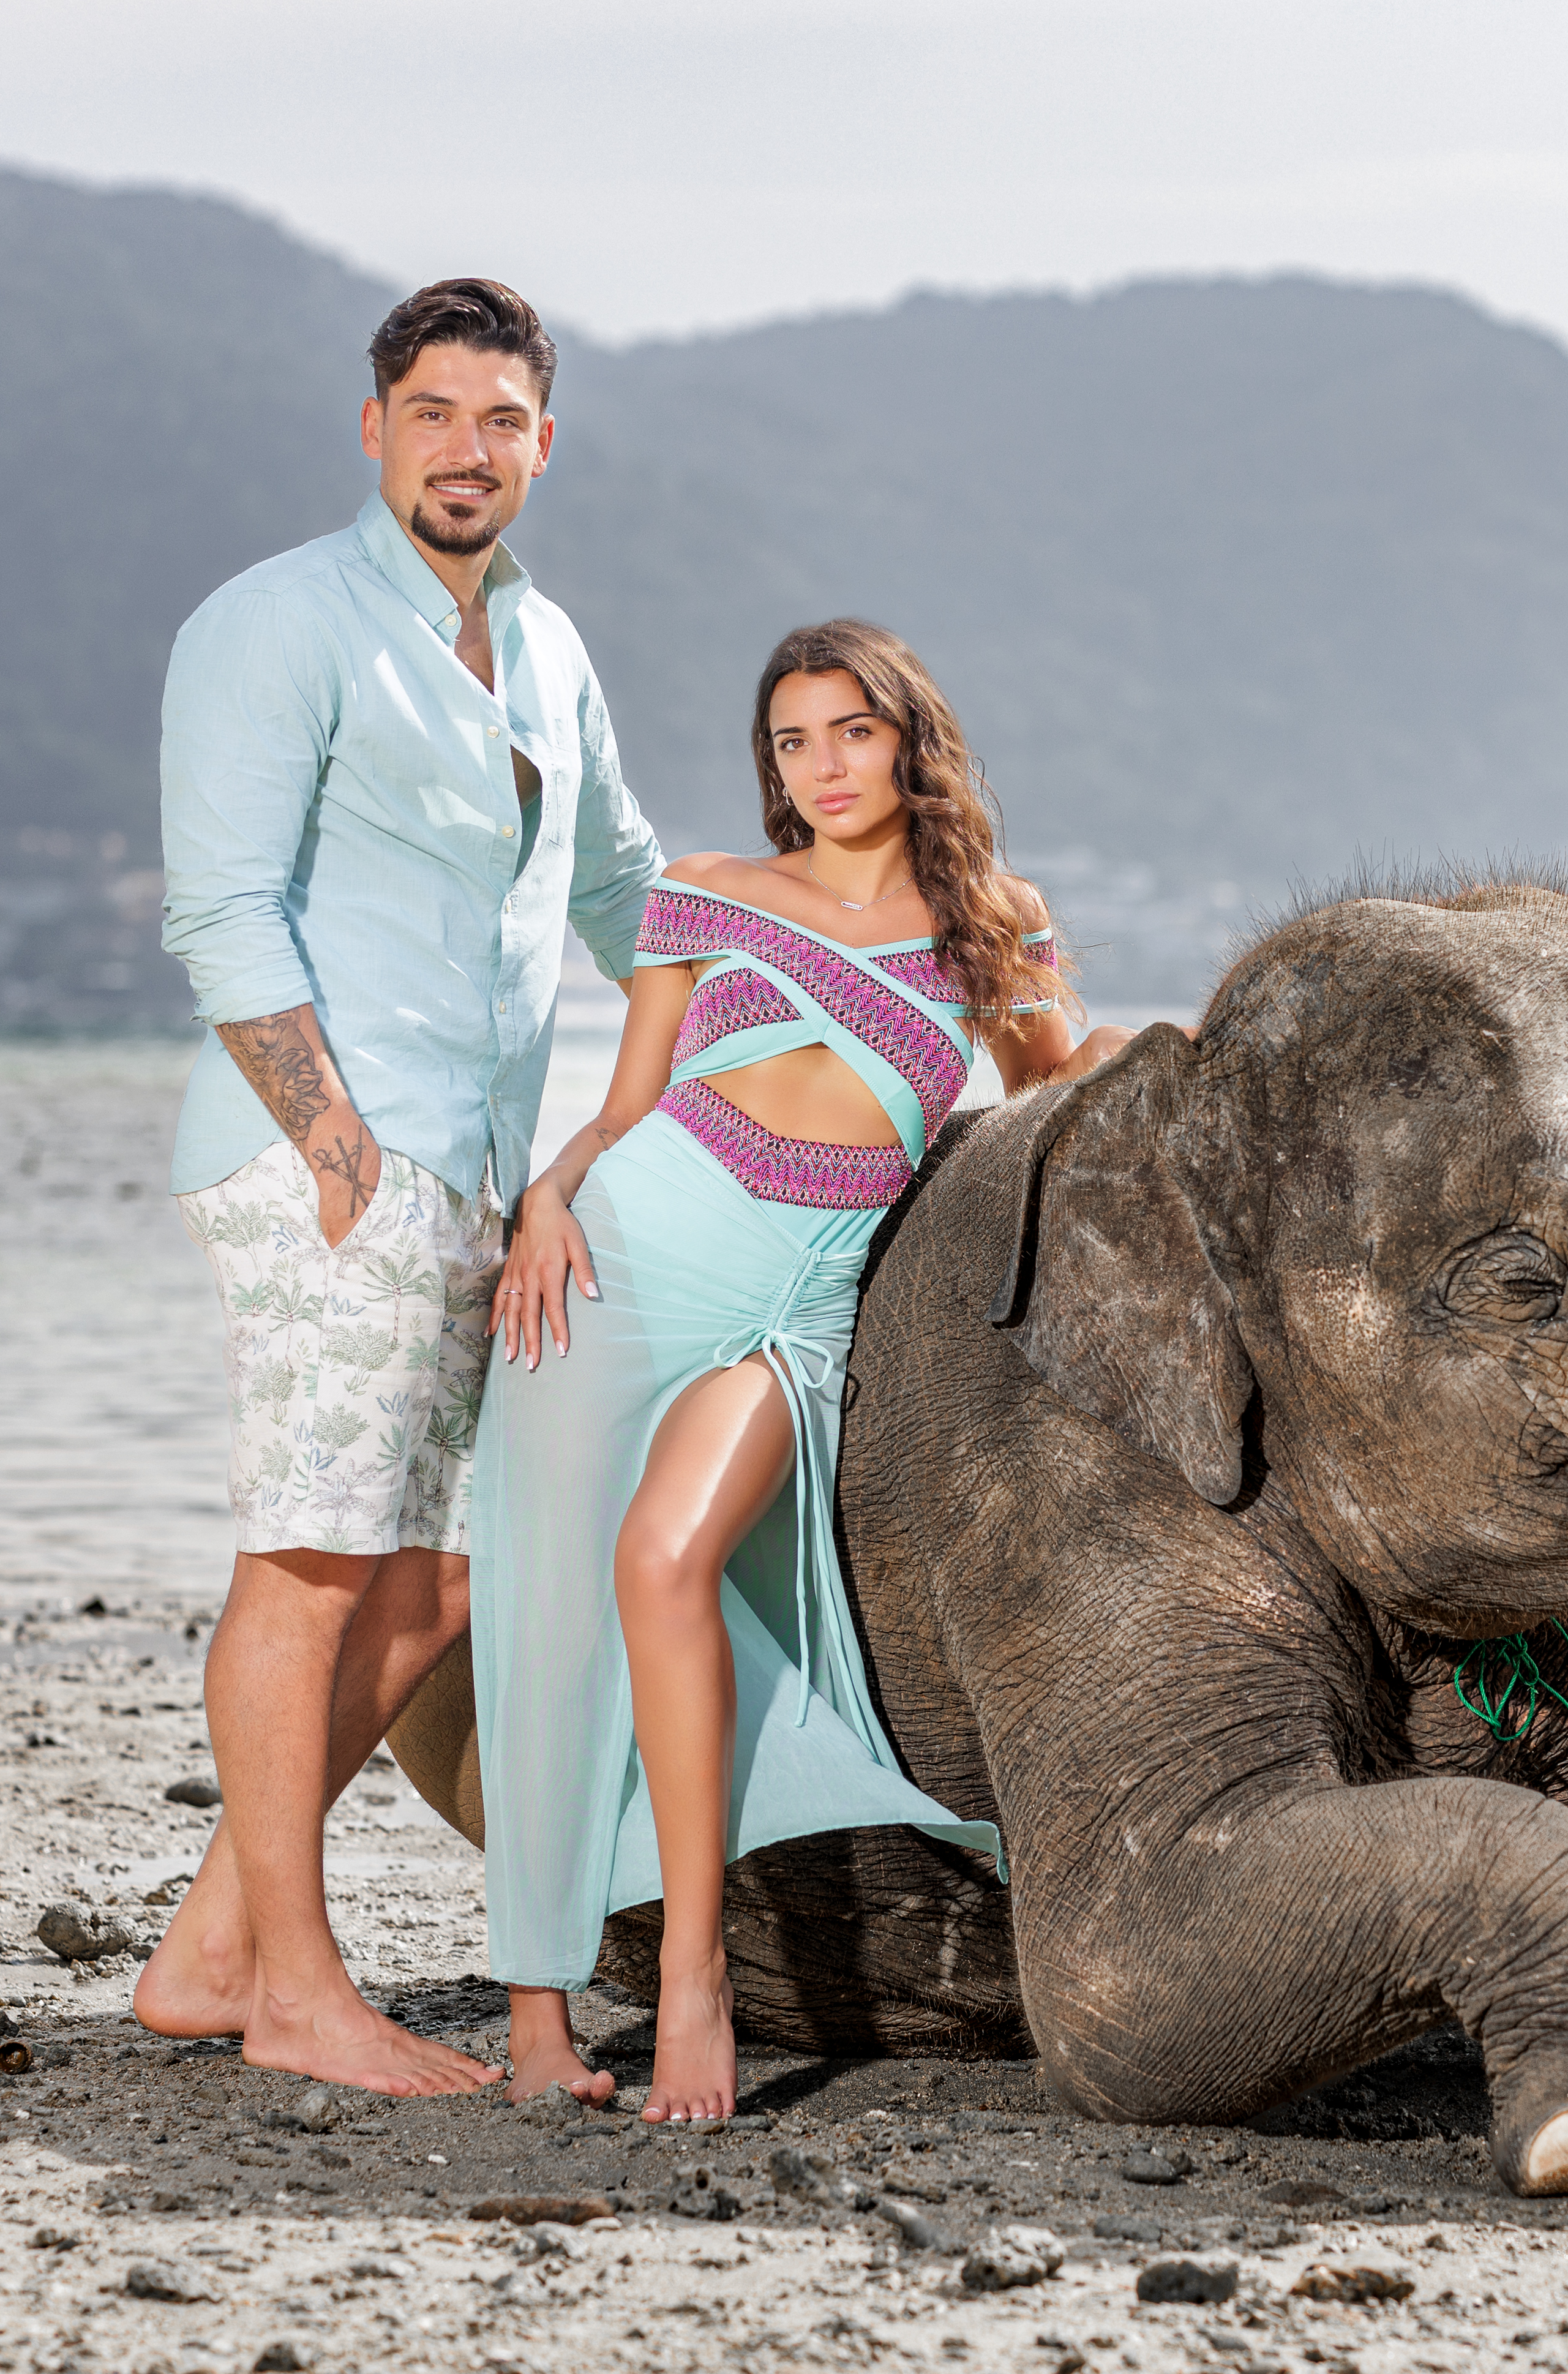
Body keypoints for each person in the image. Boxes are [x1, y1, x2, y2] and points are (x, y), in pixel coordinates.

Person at [473, 620, 1127, 2116]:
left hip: (803, 1291)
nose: (822, 766)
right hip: (626, 1254)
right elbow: (624, 1105)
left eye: (850, 731)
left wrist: (1199, 1045)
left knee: (661, 1555)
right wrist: (551, 1196)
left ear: (909, 740)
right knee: (547, 1608)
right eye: (791, 740)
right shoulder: (703, 893)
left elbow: (1058, 1084)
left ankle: (695, 1974)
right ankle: (534, 2019)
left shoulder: (986, 923)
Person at [144, 278, 669, 2094]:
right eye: (435, 413)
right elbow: (219, 907)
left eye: (502, 419)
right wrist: (333, 1142)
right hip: (335, 1169)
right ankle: (294, 1986)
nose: (469, 448)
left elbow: (630, 899)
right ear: (374, 428)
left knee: (433, 1585)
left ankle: (215, 1945)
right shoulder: (276, 622)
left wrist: (860, 945)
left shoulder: (550, 650)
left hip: (482, 1172)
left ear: (544, 443)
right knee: (310, 1562)